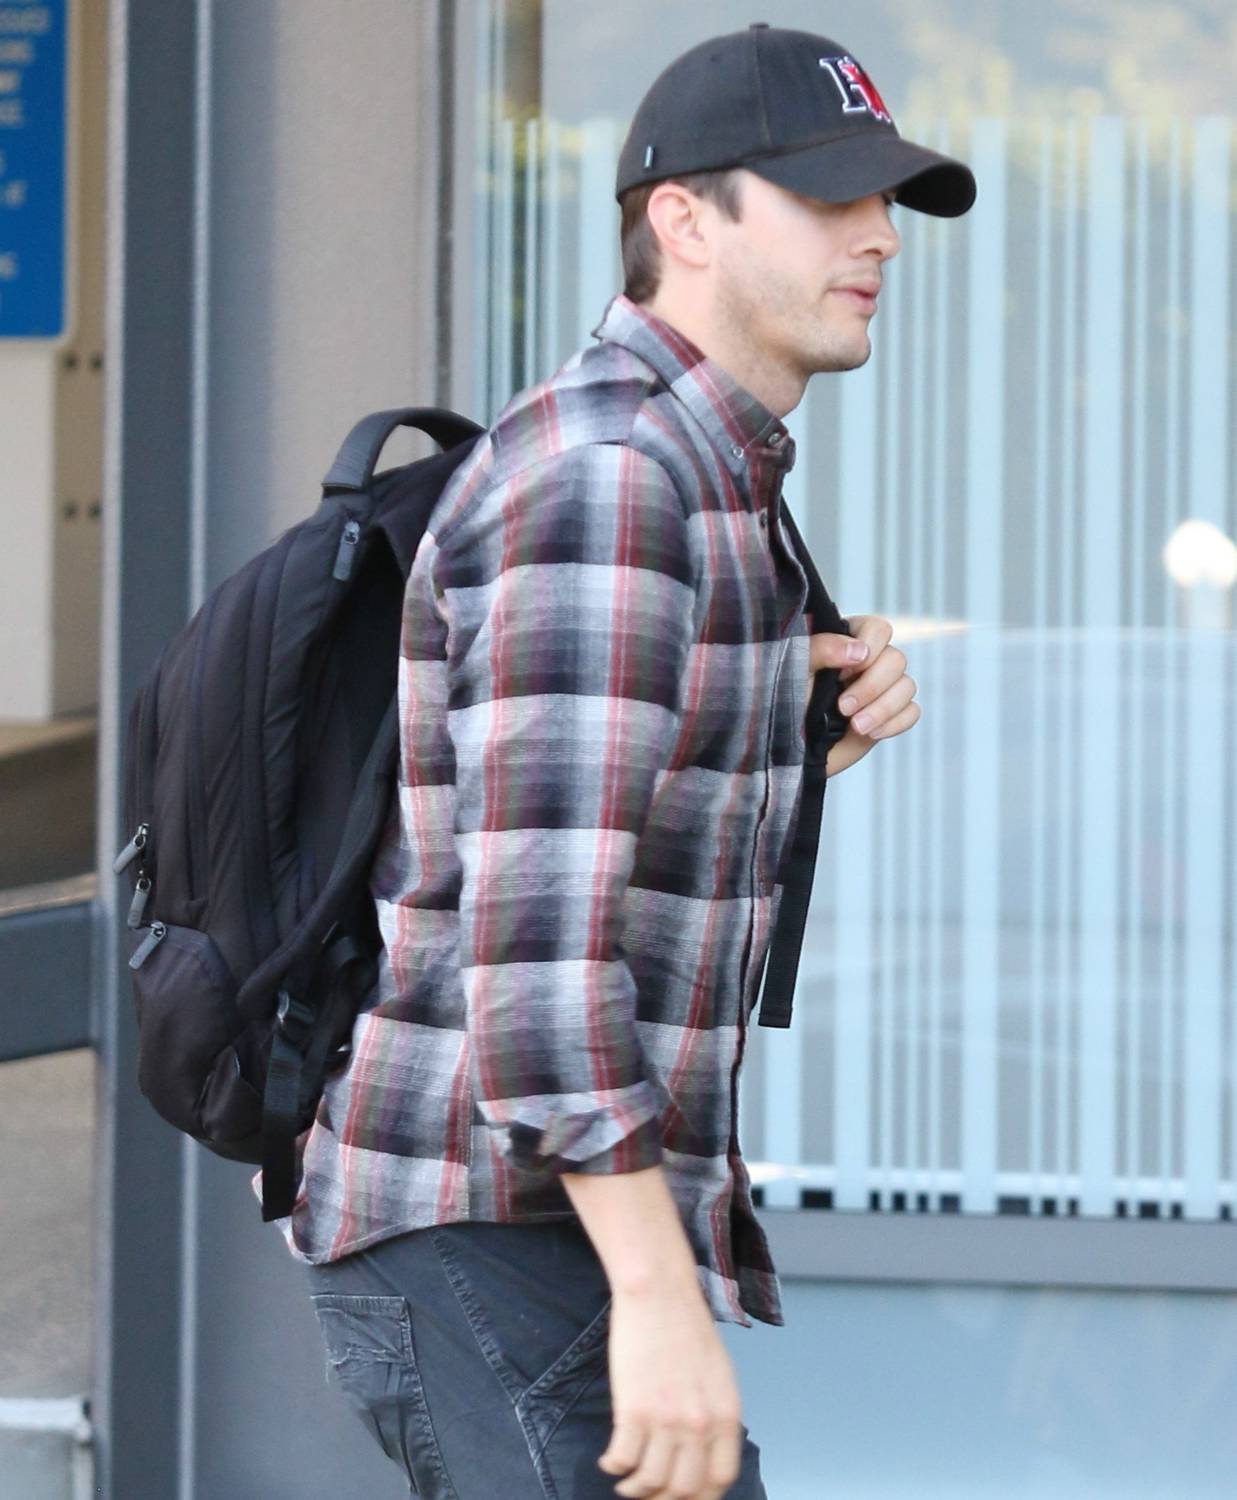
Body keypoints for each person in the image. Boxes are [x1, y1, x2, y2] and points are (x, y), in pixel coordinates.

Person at [274, 23, 975, 1500]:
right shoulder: (611, 482)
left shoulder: (700, 470)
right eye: (831, 197)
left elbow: (568, 833)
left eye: (887, 203)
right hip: (495, 1234)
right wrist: (656, 1295)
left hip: (528, 1235)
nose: (879, 239)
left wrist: (792, 749)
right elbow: (534, 955)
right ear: (683, 219)